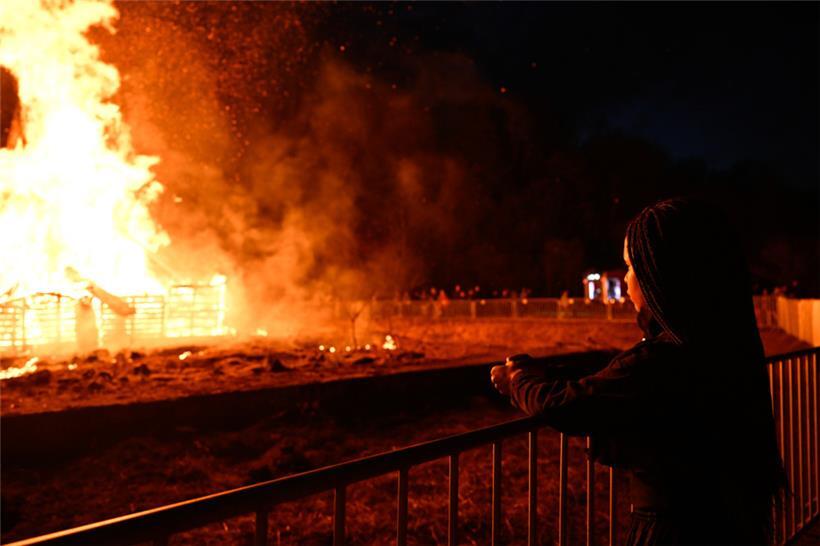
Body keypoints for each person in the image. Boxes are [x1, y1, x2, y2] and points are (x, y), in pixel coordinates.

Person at [491, 198, 784, 545]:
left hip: (672, 531)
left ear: (660, 273)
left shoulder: (663, 360)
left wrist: (517, 380)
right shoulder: (724, 347)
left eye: (631, 267)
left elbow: (568, 404)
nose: (627, 280)